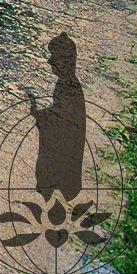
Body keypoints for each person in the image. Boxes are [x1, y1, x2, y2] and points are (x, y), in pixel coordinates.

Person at [30, 33, 86, 202]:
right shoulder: (65, 84)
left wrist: (41, 116)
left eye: (54, 57)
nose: (50, 61)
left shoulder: (68, 86)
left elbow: (64, 119)